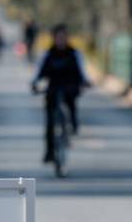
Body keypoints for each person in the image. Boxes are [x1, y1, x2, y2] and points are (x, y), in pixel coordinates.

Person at [32, 24, 91, 164]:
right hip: (53, 89)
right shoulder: (48, 54)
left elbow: (82, 72)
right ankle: (49, 152)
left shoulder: (74, 53)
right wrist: (34, 83)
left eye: (63, 37)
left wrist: (85, 82)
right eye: (58, 37)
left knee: (71, 103)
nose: (61, 40)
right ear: (54, 38)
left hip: (70, 88)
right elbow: (39, 73)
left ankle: (73, 125)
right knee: (50, 122)